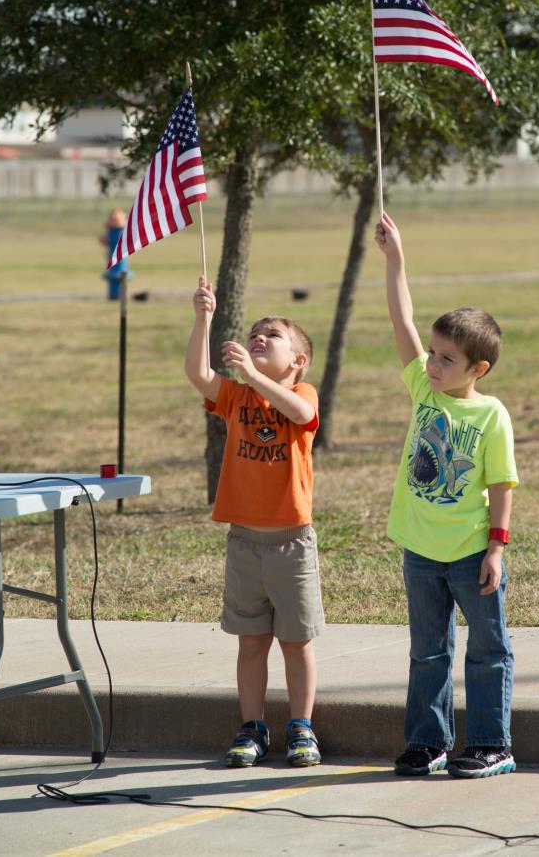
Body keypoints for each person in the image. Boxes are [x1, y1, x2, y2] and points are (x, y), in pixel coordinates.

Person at [375, 212, 518, 780]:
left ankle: (491, 743)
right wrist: (396, 260)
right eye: (431, 353)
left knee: (487, 651)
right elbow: (401, 317)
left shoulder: (490, 414)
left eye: (445, 359)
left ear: (477, 368)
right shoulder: (422, 387)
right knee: (427, 652)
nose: (431, 364)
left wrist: (495, 549)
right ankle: (428, 742)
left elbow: (502, 484)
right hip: (419, 551)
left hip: (468, 552)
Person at [184, 277, 324, 769]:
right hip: (244, 544)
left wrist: (253, 376)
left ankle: (301, 726)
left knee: (297, 642)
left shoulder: (301, 393)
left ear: (298, 360)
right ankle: (252, 726)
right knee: (251, 643)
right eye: (254, 333)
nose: (258, 338)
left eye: (273, 335)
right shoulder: (236, 397)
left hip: (291, 545)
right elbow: (199, 375)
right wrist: (203, 316)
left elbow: (300, 411)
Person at [100, 207, 129, 301]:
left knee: (119, 277)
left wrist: (105, 239)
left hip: (118, 263)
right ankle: (115, 295)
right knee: (116, 278)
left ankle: (117, 295)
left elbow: (109, 240)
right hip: (115, 262)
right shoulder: (118, 232)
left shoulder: (118, 233)